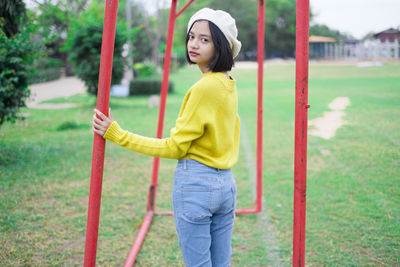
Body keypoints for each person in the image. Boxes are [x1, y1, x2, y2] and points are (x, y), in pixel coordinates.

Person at [92, 7, 241, 267]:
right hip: (225, 185)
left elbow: (174, 148)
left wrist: (118, 134)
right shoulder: (227, 82)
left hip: (197, 185)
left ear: (222, 47)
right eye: (192, 36)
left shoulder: (204, 88)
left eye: (205, 39)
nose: (194, 44)